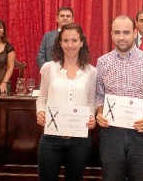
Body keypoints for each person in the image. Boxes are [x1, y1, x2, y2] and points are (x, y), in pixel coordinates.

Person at [95, 15, 143, 181]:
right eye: (117, 32)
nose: (121, 37)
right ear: (111, 34)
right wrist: (100, 112)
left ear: (135, 33)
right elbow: (99, 95)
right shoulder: (102, 62)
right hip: (111, 134)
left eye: (126, 32)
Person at [36, 23, 97, 181]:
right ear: (60, 43)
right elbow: (42, 98)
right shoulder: (49, 68)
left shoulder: (91, 72)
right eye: (66, 40)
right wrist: (40, 112)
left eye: (74, 40)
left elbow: (91, 102)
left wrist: (91, 117)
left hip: (79, 140)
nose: (70, 45)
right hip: (51, 138)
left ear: (82, 42)